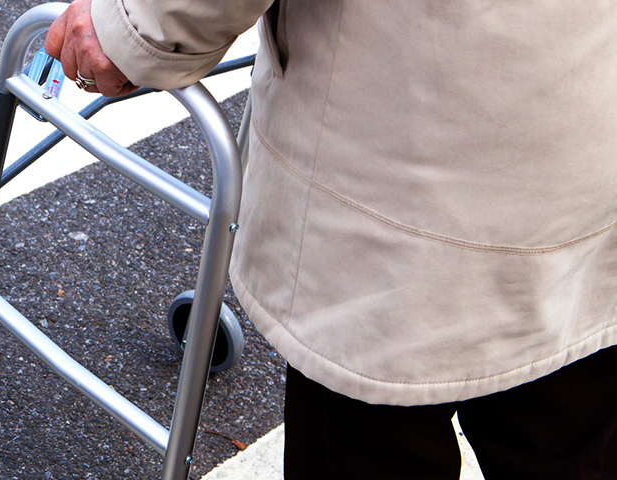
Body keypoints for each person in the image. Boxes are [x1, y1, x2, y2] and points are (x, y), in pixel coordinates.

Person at [44, 0, 617, 478]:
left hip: (399, 167)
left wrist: (135, 29)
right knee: (564, 422)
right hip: (585, 129)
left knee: (371, 440)